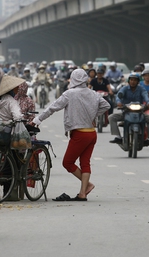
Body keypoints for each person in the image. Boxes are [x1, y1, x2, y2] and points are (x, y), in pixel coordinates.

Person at [33, 69, 110, 201]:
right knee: (85, 162)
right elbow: (106, 105)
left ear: (73, 79)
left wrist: (37, 120)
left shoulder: (69, 93)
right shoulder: (93, 93)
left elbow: (53, 107)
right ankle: (82, 193)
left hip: (79, 134)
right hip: (91, 133)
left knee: (67, 162)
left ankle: (88, 185)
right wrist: (93, 116)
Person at [109, 72, 149, 146]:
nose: (133, 82)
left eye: (135, 80)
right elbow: (119, 96)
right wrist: (118, 102)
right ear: (129, 81)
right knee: (111, 117)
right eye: (131, 80)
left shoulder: (141, 89)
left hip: (139, 112)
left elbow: (145, 96)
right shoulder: (124, 88)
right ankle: (118, 136)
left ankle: (147, 138)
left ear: (138, 82)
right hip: (126, 112)